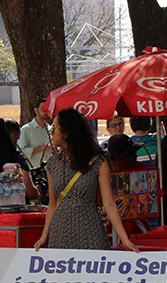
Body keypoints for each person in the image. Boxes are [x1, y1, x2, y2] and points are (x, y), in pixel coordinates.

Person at [33, 108, 138, 252]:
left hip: (90, 232)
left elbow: (109, 204)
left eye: (55, 129)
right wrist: (44, 236)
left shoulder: (98, 162)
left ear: (67, 133)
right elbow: (52, 205)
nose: (51, 132)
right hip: (59, 234)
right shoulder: (52, 164)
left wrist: (125, 239)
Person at [19, 99, 53, 168]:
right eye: (43, 109)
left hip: (49, 171)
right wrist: (42, 148)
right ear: (36, 110)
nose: (46, 111)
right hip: (33, 171)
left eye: (48, 108)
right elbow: (21, 151)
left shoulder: (51, 130)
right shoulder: (27, 129)